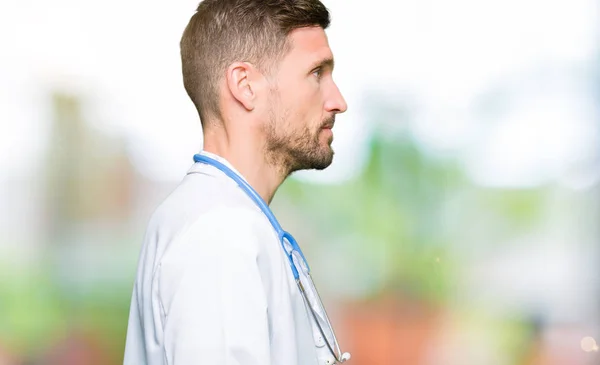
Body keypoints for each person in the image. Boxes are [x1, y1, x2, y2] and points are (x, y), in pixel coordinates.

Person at [123, 0, 348, 364]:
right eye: (317, 73)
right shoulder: (220, 233)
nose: (338, 101)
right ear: (245, 86)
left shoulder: (225, 219)